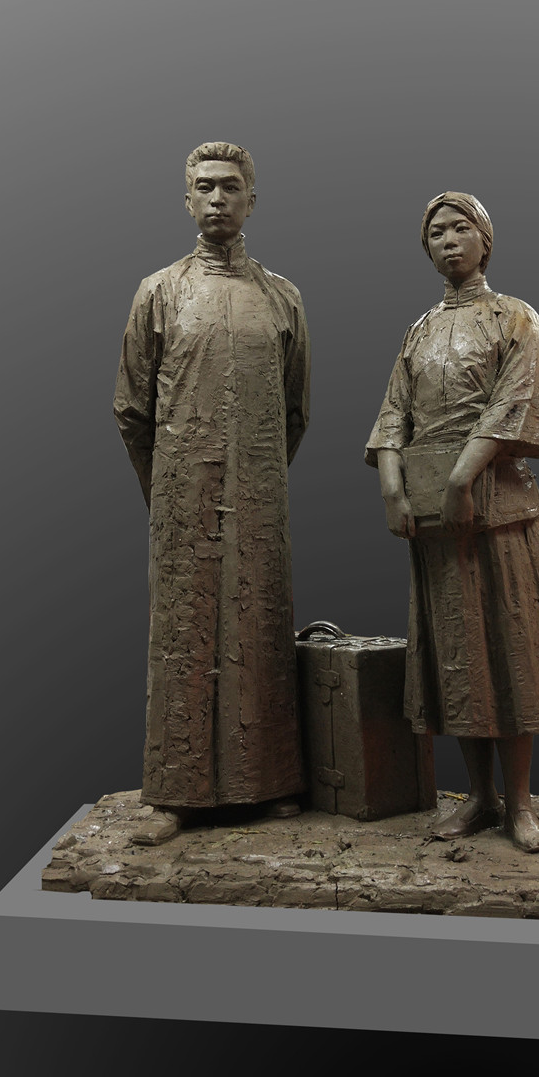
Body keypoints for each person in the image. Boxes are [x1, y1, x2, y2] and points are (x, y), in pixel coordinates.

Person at [365, 192, 539, 852]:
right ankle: (480, 797)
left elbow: (515, 402)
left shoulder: (515, 317)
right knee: (458, 658)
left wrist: (463, 479)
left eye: (460, 227)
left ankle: (520, 803)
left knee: (510, 651)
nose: (448, 240)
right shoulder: (419, 330)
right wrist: (392, 490)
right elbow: (394, 412)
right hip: (436, 521)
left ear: (485, 240)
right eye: (435, 232)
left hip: (499, 510)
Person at [114, 143, 310, 845]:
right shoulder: (160, 292)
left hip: (259, 499)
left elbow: (295, 409)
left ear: (252, 199)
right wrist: (168, 490)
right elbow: (131, 408)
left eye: (230, 187)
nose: (218, 198)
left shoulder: (282, 297)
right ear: (188, 200)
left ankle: (270, 782)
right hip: (182, 497)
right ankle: (178, 795)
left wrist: (256, 478)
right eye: (205, 187)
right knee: (184, 639)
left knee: (260, 630)